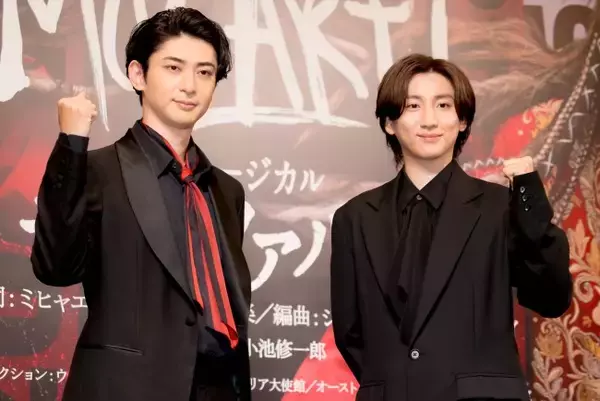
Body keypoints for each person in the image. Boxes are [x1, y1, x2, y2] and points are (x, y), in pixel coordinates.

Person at [30, 7, 251, 401]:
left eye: (205, 72)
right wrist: (71, 143)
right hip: (125, 389)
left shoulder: (226, 190)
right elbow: (54, 268)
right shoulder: (97, 170)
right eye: (173, 68)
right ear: (138, 74)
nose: (190, 86)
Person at [329, 53, 572, 401]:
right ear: (389, 123)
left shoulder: (500, 207)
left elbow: (550, 297)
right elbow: (351, 333)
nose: (429, 120)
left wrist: (528, 192)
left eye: (443, 105)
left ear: (462, 121)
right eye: (413, 106)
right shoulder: (354, 218)